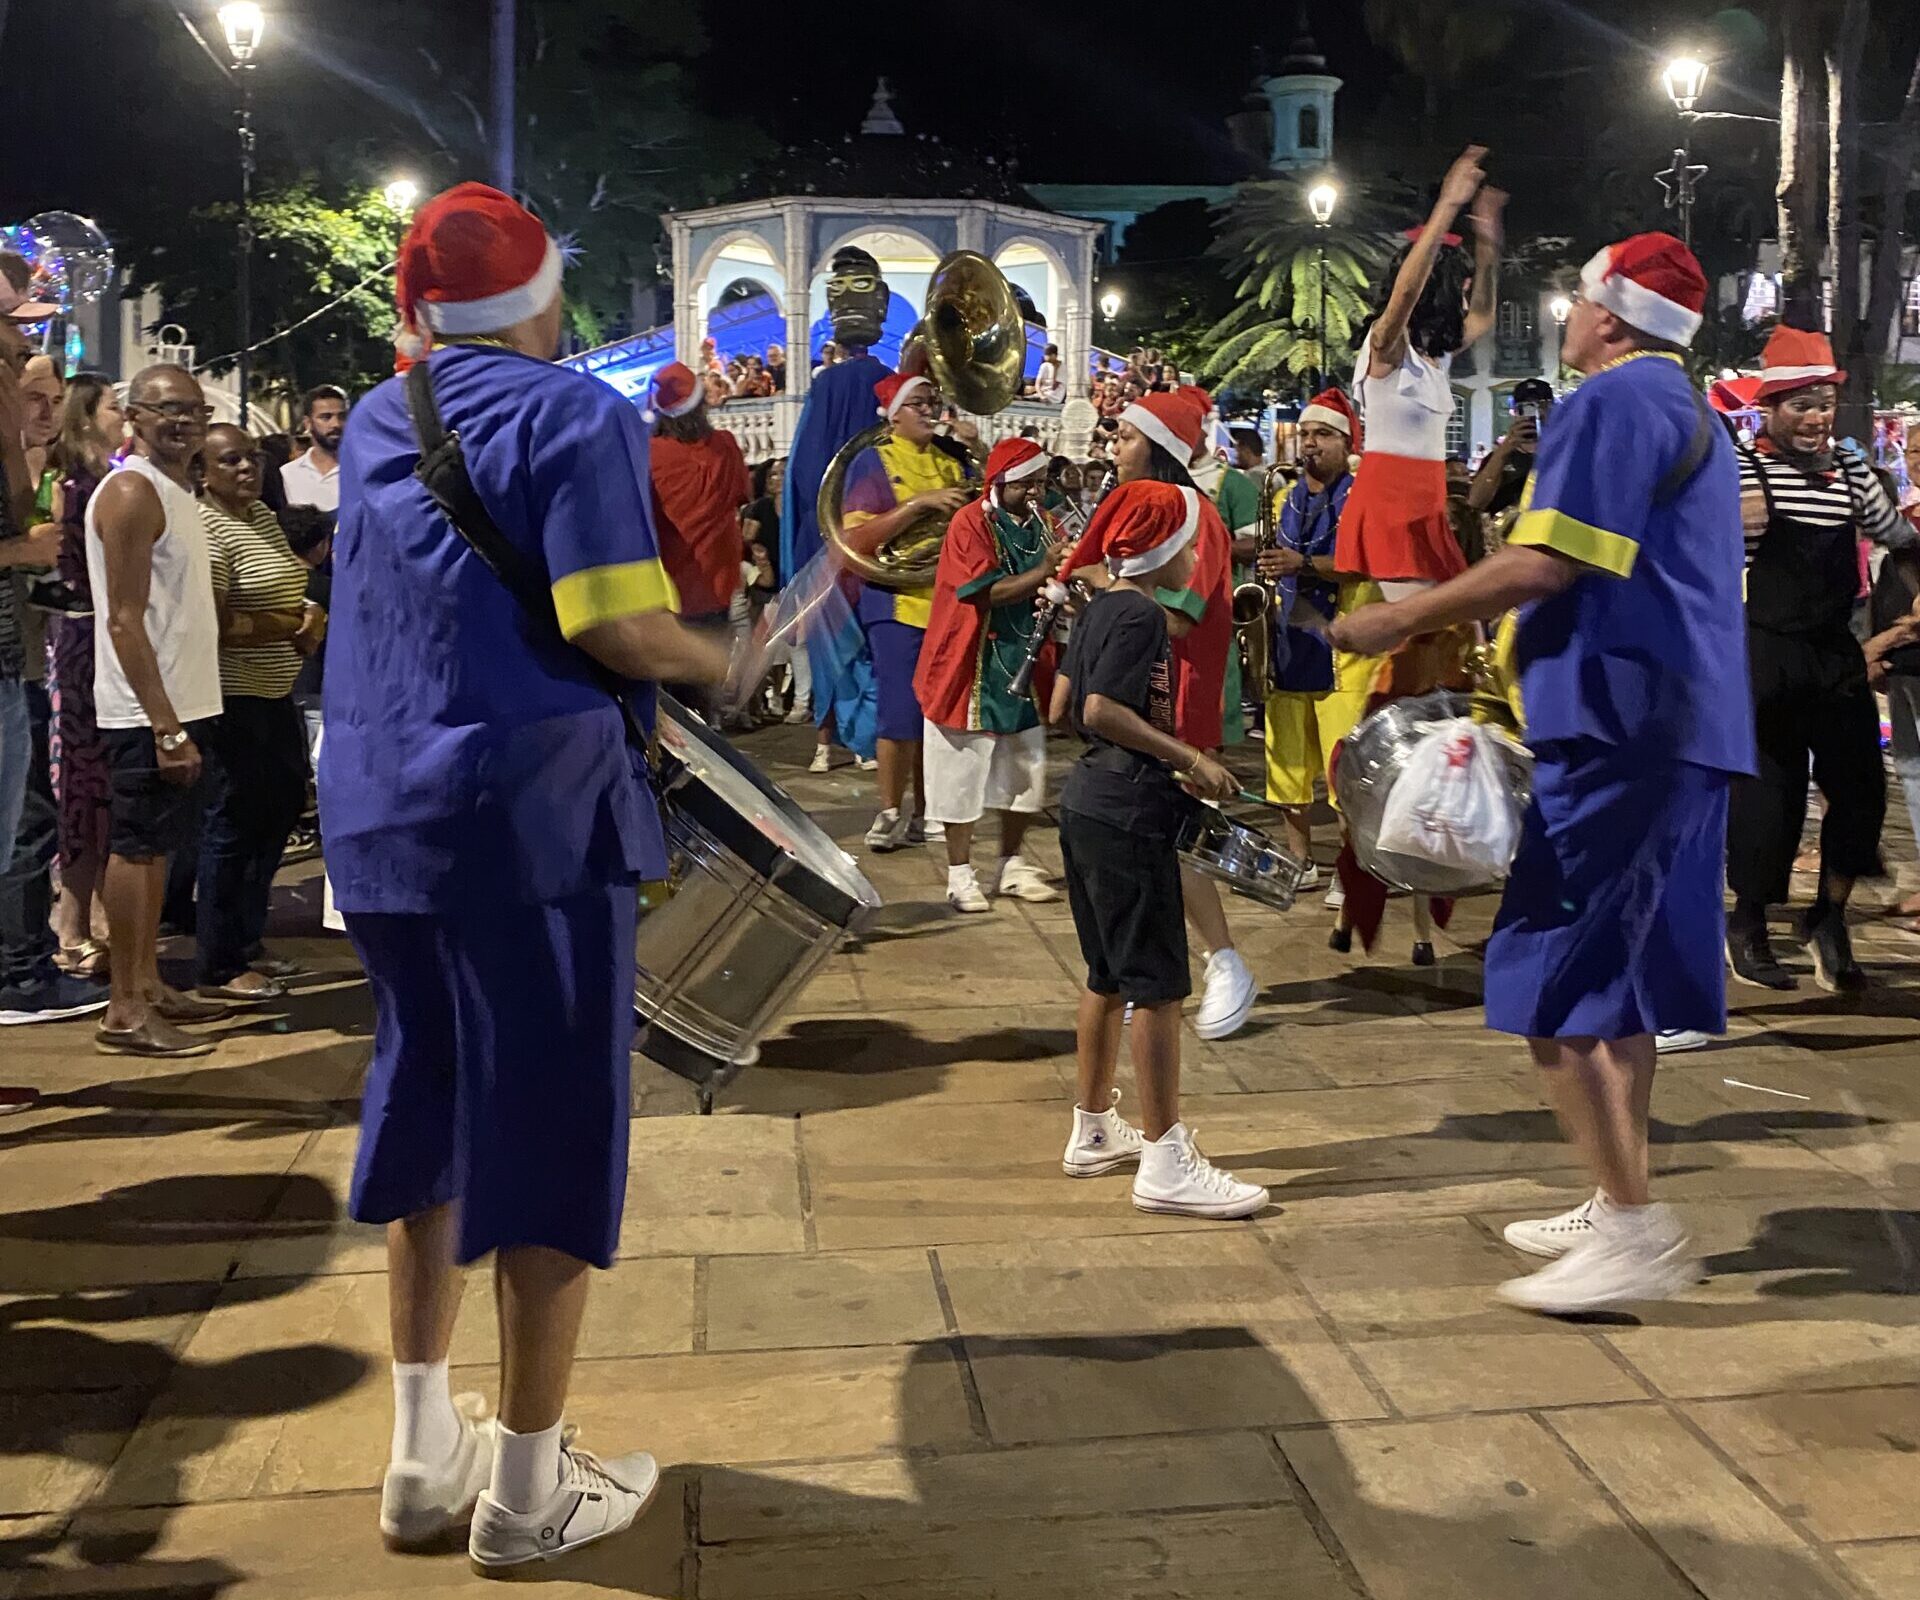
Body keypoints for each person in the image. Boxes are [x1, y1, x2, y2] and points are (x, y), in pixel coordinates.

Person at [327, 183, 732, 1570]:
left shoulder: (384, 416)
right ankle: (526, 1485)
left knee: (427, 1102)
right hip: (530, 820)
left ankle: (417, 1455)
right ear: (548, 304)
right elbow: (615, 624)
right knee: (550, 1126)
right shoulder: (577, 414)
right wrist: (719, 659)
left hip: (380, 816)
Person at [1330, 232, 1751, 1314]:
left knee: (1549, 972)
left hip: (1619, 723)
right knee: (1629, 976)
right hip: (1680, 725)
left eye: (1576, 300)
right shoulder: (1690, 409)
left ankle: (1633, 1227)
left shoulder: (1611, 405)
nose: (1563, 316)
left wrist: (1397, 618)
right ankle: (1619, 1202)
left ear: (1611, 317)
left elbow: (1549, 560)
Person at [1050, 479, 1269, 1219]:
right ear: (1170, 548)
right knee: (1159, 988)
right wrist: (1187, 757)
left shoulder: (1097, 607)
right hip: (1127, 811)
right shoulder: (1142, 614)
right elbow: (1099, 709)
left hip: (1085, 801)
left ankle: (1090, 1129)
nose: (1200, 557)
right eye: (1194, 543)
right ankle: (1167, 1156)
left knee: (1106, 974)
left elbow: (1060, 707)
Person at [1330, 145, 1505, 961]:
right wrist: (1445, 208)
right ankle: (1376, 864)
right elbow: (1405, 290)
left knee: (1439, 682)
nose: (1461, 290)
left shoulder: (1433, 364)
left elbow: (1485, 320)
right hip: (1395, 516)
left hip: (1428, 516)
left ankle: (1385, 869)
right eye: (1455, 277)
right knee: (1423, 673)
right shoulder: (1385, 350)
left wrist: (1490, 236)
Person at [1722, 325, 1912, 993]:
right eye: (1801, 405)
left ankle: (1827, 915)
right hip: (1766, 650)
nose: (1816, 419)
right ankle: (1747, 923)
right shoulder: (1746, 472)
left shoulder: (1853, 471)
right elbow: (1722, 569)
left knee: (1860, 790)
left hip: (1834, 650)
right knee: (1768, 799)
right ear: (1770, 410)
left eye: (1823, 405)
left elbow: (1898, 537)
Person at [1081, 386, 1255, 1040]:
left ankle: (1226, 962)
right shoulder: (1147, 508)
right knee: (1147, 842)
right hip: (1141, 697)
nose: (1113, 446)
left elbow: (1176, 618)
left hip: (1177, 700)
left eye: (1125, 437)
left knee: (1176, 840)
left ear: (1157, 447)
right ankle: (1156, 973)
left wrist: (1096, 580)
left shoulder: (1192, 515)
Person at [86, 366, 230, 1057]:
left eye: (193, 412)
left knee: (161, 849)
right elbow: (123, 620)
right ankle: (124, 1006)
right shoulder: (133, 490)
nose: (183, 422)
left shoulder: (176, 490)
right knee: (137, 851)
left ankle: (148, 983)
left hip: (182, 701)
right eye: (166, 410)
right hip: (148, 711)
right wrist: (166, 725)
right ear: (135, 416)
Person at [193, 424, 321, 1002]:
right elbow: (215, 624)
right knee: (233, 825)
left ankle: (248, 941)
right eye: (230, 461)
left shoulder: (264, 519)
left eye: (252, 458)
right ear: (204, 472)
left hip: (275, 693)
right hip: (232, 697)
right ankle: (219, 961)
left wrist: (311, 613)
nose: (248, 468)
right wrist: (289, 625)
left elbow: (290, 589)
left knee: (279, 811)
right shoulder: (208, 527)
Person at [915, 437, 1069, 911]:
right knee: (960, 771)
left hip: (1024, 662)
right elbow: (983, 592)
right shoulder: (969, 523)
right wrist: (1045, 570)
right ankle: (960, 873)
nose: (1035, 493)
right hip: (968, 664)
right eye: (1026, 484)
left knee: (1024, 769)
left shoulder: (1043, 524)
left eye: (1041, 483)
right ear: (1000, 482)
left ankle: (1010, 863)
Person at [841, 372, 973, 849]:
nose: (929, 410)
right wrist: (920, 504)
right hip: (893, 602)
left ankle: (928, 809)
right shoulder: (872, 462)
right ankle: (890, 810)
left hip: (946, 604)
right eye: (918, 403)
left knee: (939, 719)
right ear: (893, 413)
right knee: (898, 716)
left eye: (933, 402)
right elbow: (857, 538)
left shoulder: (954, 462)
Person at [782, 246, 893, 774]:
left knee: (829, 645)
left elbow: (803, 473)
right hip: (881, 533)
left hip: (826, 538)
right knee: (873, 644)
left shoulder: (824, 385)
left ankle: (826, 745)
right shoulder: (892, 385)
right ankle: (870, 742)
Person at [1255, 389, 1370, 891]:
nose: (1309, 444)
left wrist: (1300, 564)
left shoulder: (1363, 498)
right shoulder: (1282, 498)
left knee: (1345, 769)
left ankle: (1350, 872)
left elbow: (1361, 563)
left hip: (1344, 650)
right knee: (1286, 761)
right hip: (1288, 642)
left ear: (1346, 443)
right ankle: (1298, 861)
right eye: (1304, 434)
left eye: (1322, 434)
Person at [48, 374, 125, 978]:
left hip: (103, 634)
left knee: (104, 785)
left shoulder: (110, 475)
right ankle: (71, 922)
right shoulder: (74, 483)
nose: (122, 414)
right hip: (82, 637)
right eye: (113, 406)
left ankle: (100, 915)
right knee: (82, 781)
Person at [645, 362, 750, 714]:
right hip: (716, 588)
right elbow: (740, 497)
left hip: (664, 593)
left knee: (667, 706)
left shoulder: (649, 454)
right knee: (702, 702)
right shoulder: (725, 445)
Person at [1467, 377, 1553, 520]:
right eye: (1525, 408)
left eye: (1540, 406)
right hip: (1506, 537)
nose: (1533, 414)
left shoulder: (1564, 453)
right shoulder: (1499, 457)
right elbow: (1475, 502)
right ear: (1515, 412)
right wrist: (1504, 450)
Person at [281, 385, 348, 514]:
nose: (336, 424)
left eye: (342, 416)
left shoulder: (362, 471)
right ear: (308, 423)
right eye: (326, 417)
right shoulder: (287, 474)